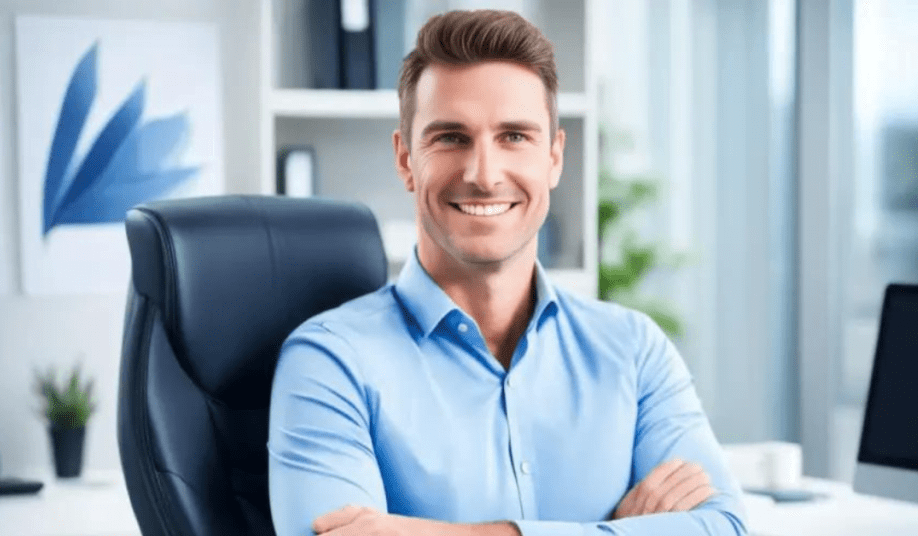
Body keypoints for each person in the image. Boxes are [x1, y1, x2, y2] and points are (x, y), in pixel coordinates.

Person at [268, 9, 747, 536]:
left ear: (555, 157)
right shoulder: (330, 361)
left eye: (514, 136)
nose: (483, 174)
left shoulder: (634, 351)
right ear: (406, 159)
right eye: (451, 137)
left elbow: (722, 526)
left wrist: (469, 534)